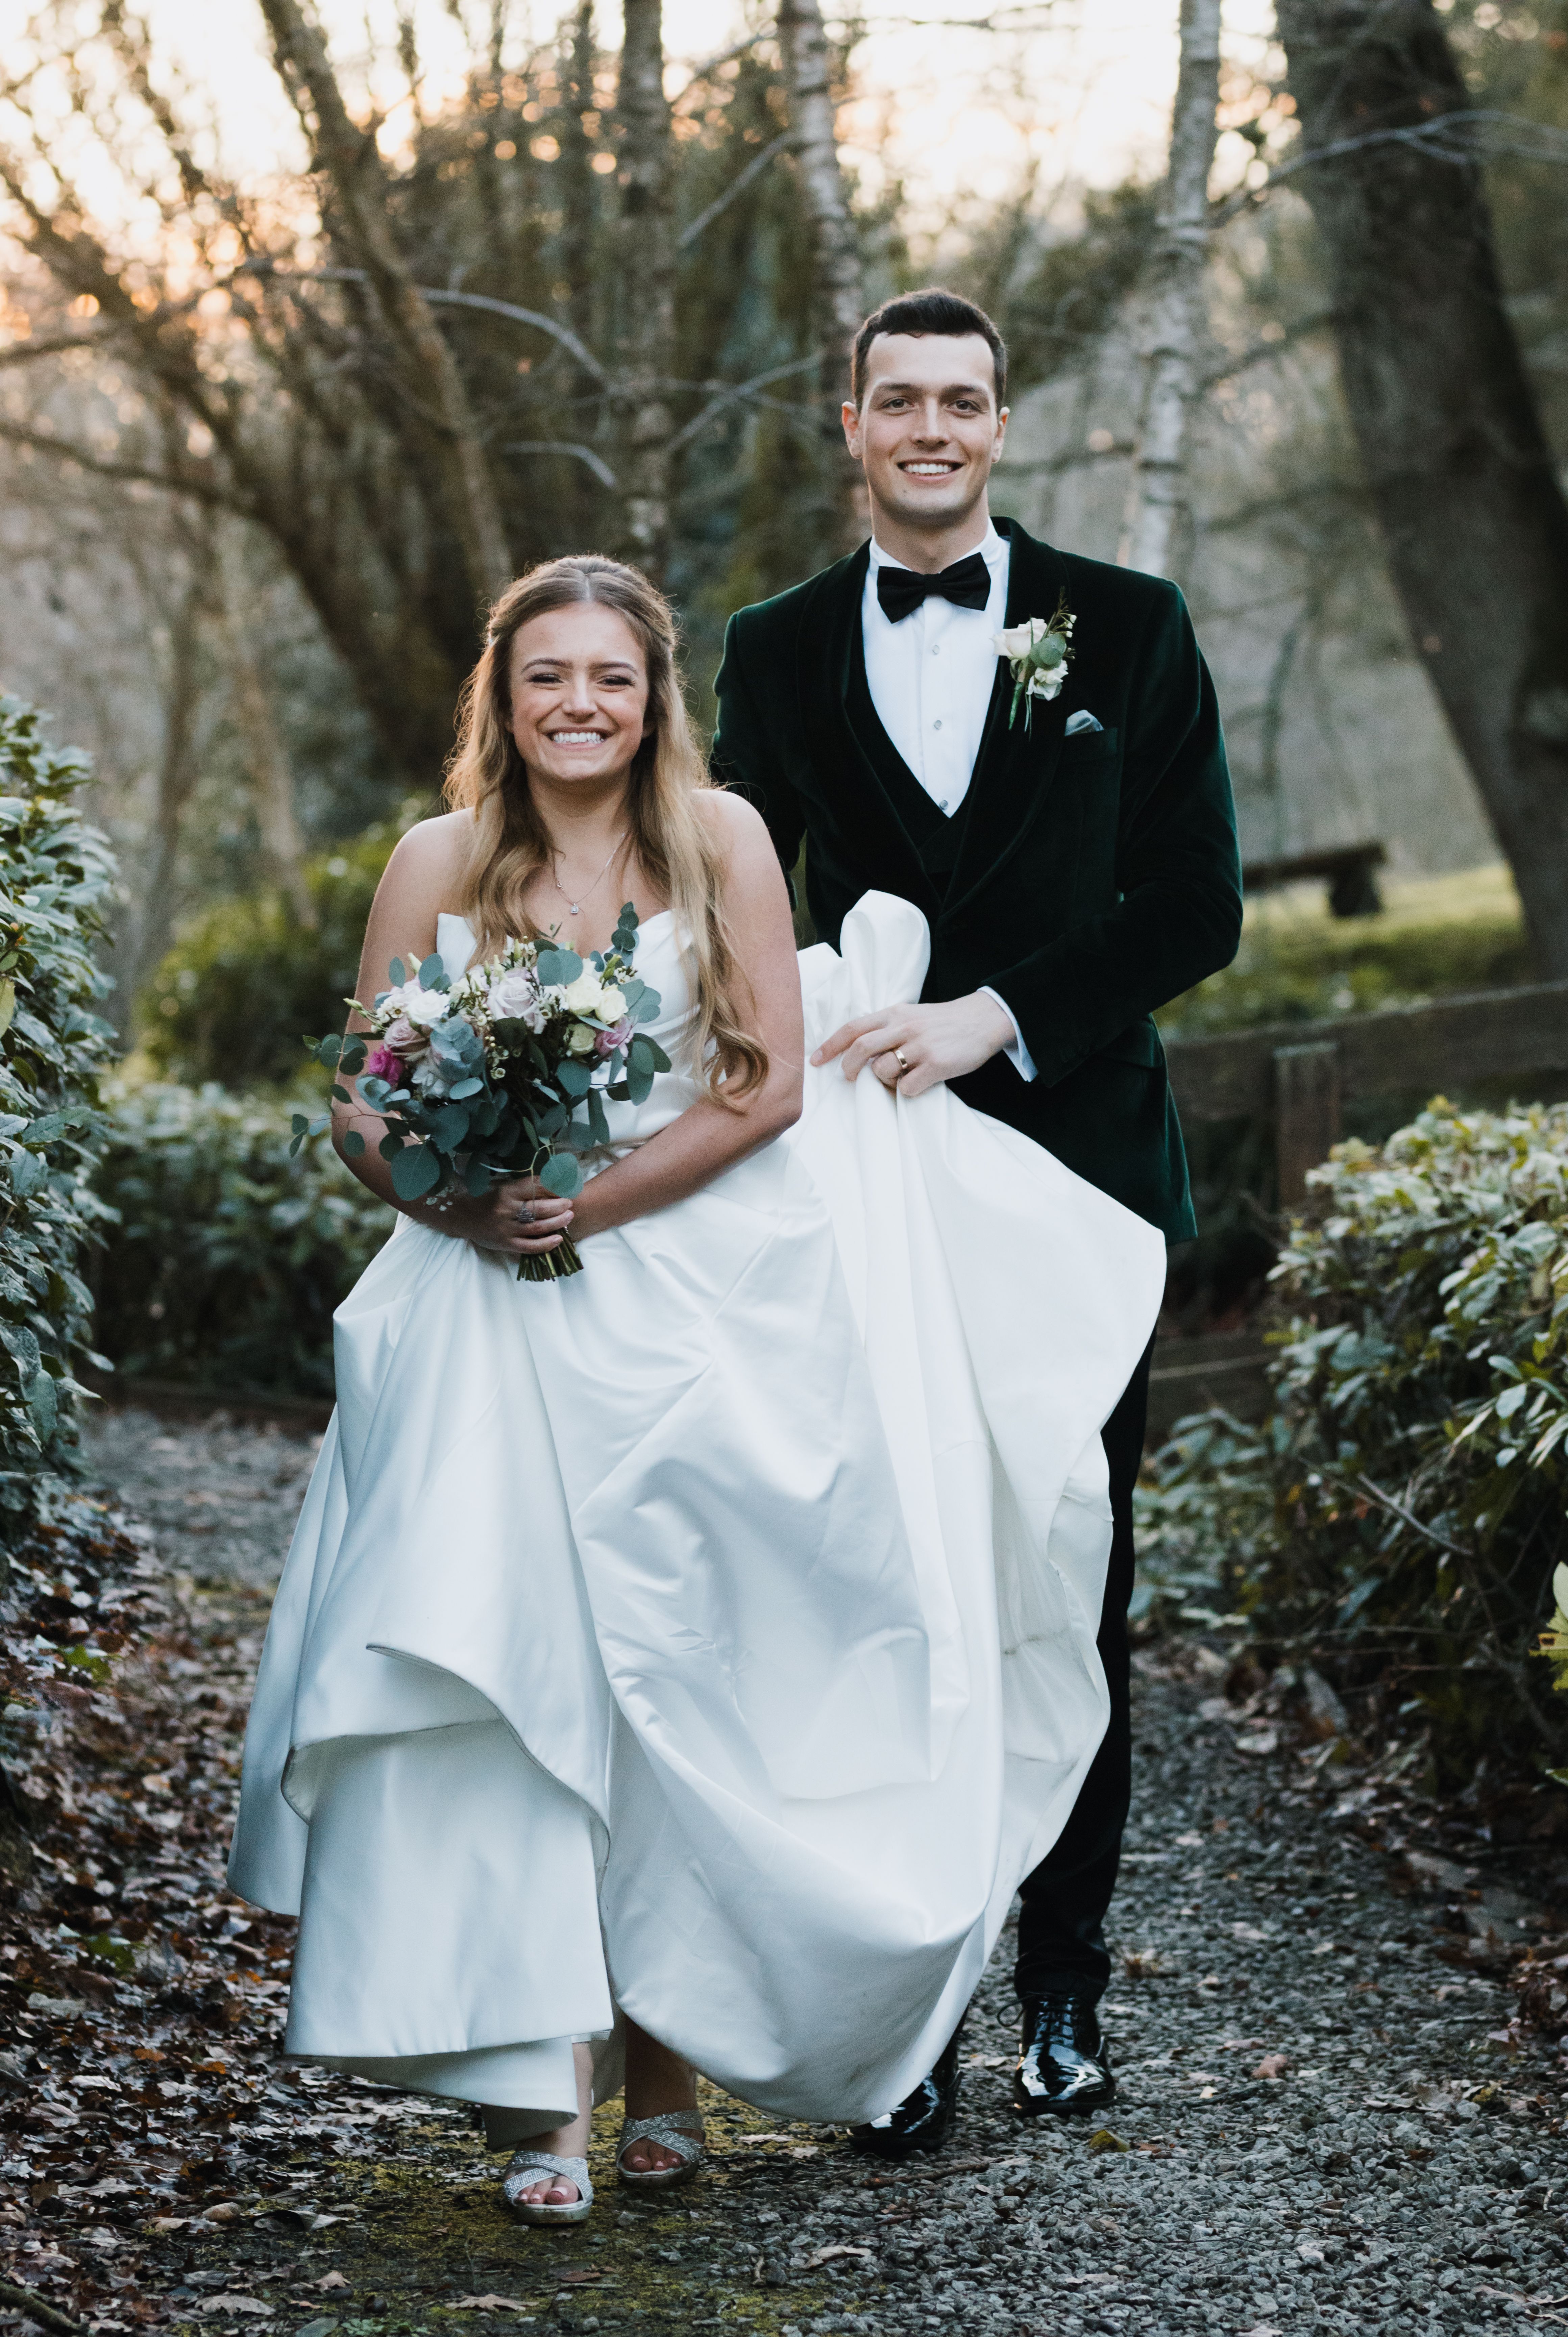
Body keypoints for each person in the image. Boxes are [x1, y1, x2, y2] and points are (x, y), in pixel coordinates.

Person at [229, 554, 1163, 2224]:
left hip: (681, 1302)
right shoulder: (434, 858)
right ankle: (541, 2097)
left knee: (674, 1678)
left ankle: (664, 2068)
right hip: (482, 1321)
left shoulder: (718, 838)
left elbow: (763, 1086)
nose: (577, 704)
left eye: (609, 676)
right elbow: (362, 1100)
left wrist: (581, 1204)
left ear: (654, 692)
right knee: (513, 1688)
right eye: (544, 679)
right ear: (500, 699)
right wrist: (453, 1193)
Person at [711, 287, 1243, 2153]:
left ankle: (1068, 1987)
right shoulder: (769, 653)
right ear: (848, 425)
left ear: (1002, 426)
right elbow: (733, 909)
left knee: (1069, 1576)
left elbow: (1194, 907)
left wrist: (991, 1016)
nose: (932, 429)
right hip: (866, 1186)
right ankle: (911, 2004)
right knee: (893, 1576)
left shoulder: (1131, 627)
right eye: (899, 401)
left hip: (1076, 1177)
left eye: (964, 402)